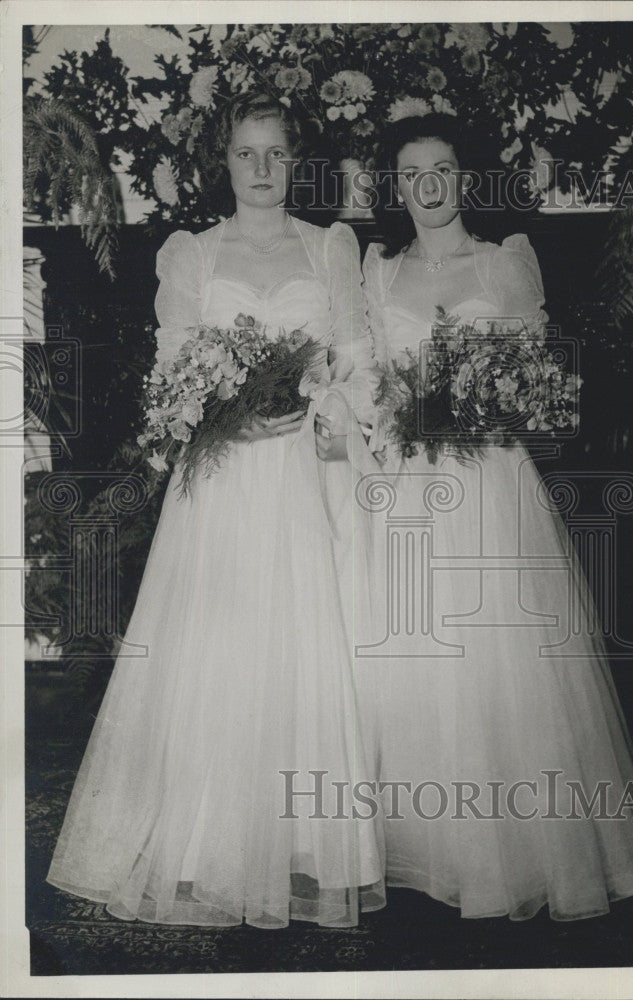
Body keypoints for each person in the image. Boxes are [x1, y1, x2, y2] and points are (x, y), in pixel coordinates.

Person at [47, 92, 386, 929]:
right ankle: (203, 845)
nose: (262, 170)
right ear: (223, 162)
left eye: (276, 154)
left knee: (306, 651)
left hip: (307, 474)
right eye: (246, 154)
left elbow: (358, 362)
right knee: (218, 656)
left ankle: (307, 848)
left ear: (295, 161)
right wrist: (220, 409)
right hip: (228, 478)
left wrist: (323, 410)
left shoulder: (330, 246)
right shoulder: (191, 254)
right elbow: (171, 371)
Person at [353, 113, 633, 921]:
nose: (427, 187)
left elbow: (540, 392)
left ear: (464, 178)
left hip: (491, 483)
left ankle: (513, 858)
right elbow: (364, 387)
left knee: (501, 670)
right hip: (407, 486)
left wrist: (486, 399)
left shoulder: (505, 265)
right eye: (411, 173)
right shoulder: (377, 273)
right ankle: (416, 848)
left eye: (442, 169)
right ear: (395, 186)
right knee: (410, 662)